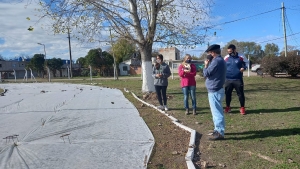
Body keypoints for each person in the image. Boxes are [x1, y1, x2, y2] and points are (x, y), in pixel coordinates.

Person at [203, 44, 226, 141]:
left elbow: (206, 73)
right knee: (216, 111)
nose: (209, 55)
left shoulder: (216, 61)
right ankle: (217, 129)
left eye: (210, 53)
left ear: (213, 52)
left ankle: (220, 132)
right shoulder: (220, 60)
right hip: (216, 89)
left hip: (215, 90)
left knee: (217, 112)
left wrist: (206, 65)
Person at [224, 44, 249, 115]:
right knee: (228, 94)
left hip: (238, 79)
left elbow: (247, 63)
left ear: (234, 50)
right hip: (228, 79)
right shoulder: (226, 57)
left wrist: (244, 68)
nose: (229, 53)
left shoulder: (241, 56)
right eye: (228, 51)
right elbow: (222, 65)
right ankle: (228, 107)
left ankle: (242, 108)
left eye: (230, 51)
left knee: (240, 94)